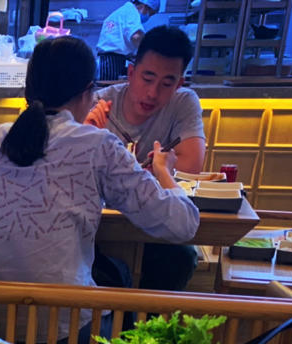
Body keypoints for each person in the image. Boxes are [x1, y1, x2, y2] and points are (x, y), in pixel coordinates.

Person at [0, 36, 197, 344]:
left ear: (28, 89)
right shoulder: (99, 146)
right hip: (62, 333)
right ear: (88, 92)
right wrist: (164, 171)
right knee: (120, 291)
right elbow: (183, 224)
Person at [85, 26, 204, 290]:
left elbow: (191, 166)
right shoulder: (99, 104)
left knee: (181, 257)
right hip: (103, 222)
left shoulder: (183, 103)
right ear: (131, 73)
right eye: (147, 78)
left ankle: (150, 316)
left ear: (179, 84)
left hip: (155, 217)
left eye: (166, 84)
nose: (152, 93)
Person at [95, 0, 159, 81]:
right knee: (110, 88)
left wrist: (132, 55)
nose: (148, 17)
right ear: (146, 7)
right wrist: (146, 54)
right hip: (112, 63)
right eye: (150, 14)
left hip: (106, 61)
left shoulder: (122, 12)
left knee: (106, 88)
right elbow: (136, 37)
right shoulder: (132, 12)